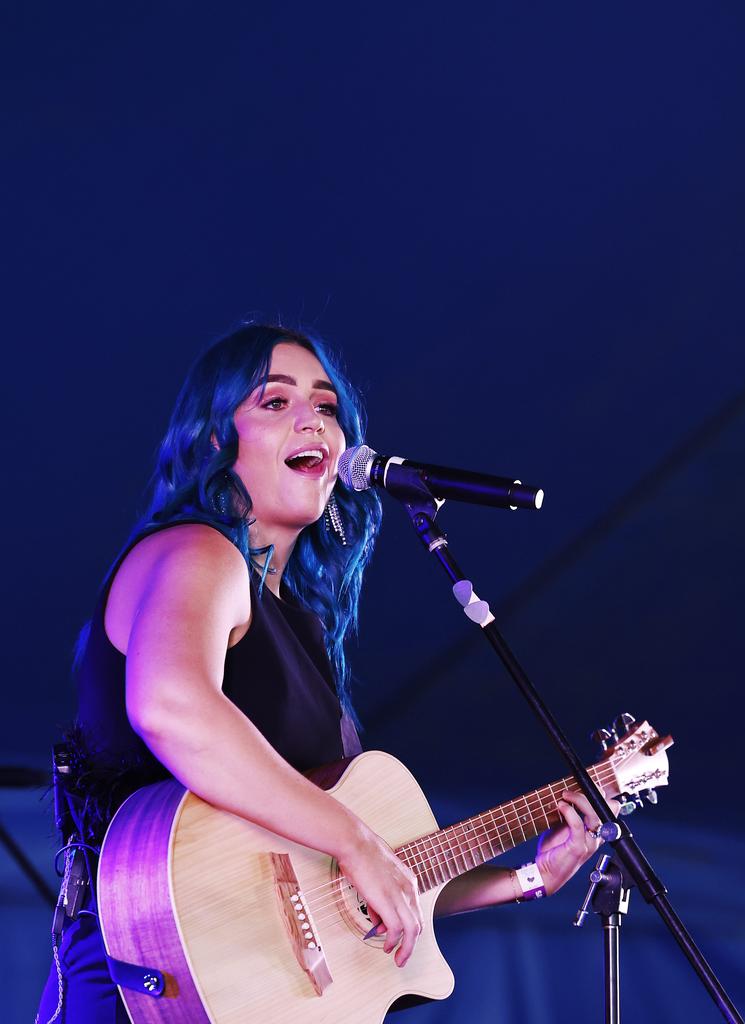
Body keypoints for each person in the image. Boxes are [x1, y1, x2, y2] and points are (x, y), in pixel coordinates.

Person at [37, 322, 612, 1023]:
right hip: (143, 979)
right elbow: (169, 706)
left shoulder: (301, 627)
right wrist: (354, 839)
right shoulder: (197, 554)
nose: (314, 417)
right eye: (275, 402)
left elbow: (354, 882)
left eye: (328, 406)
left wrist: (527, 878)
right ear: (215, 440)